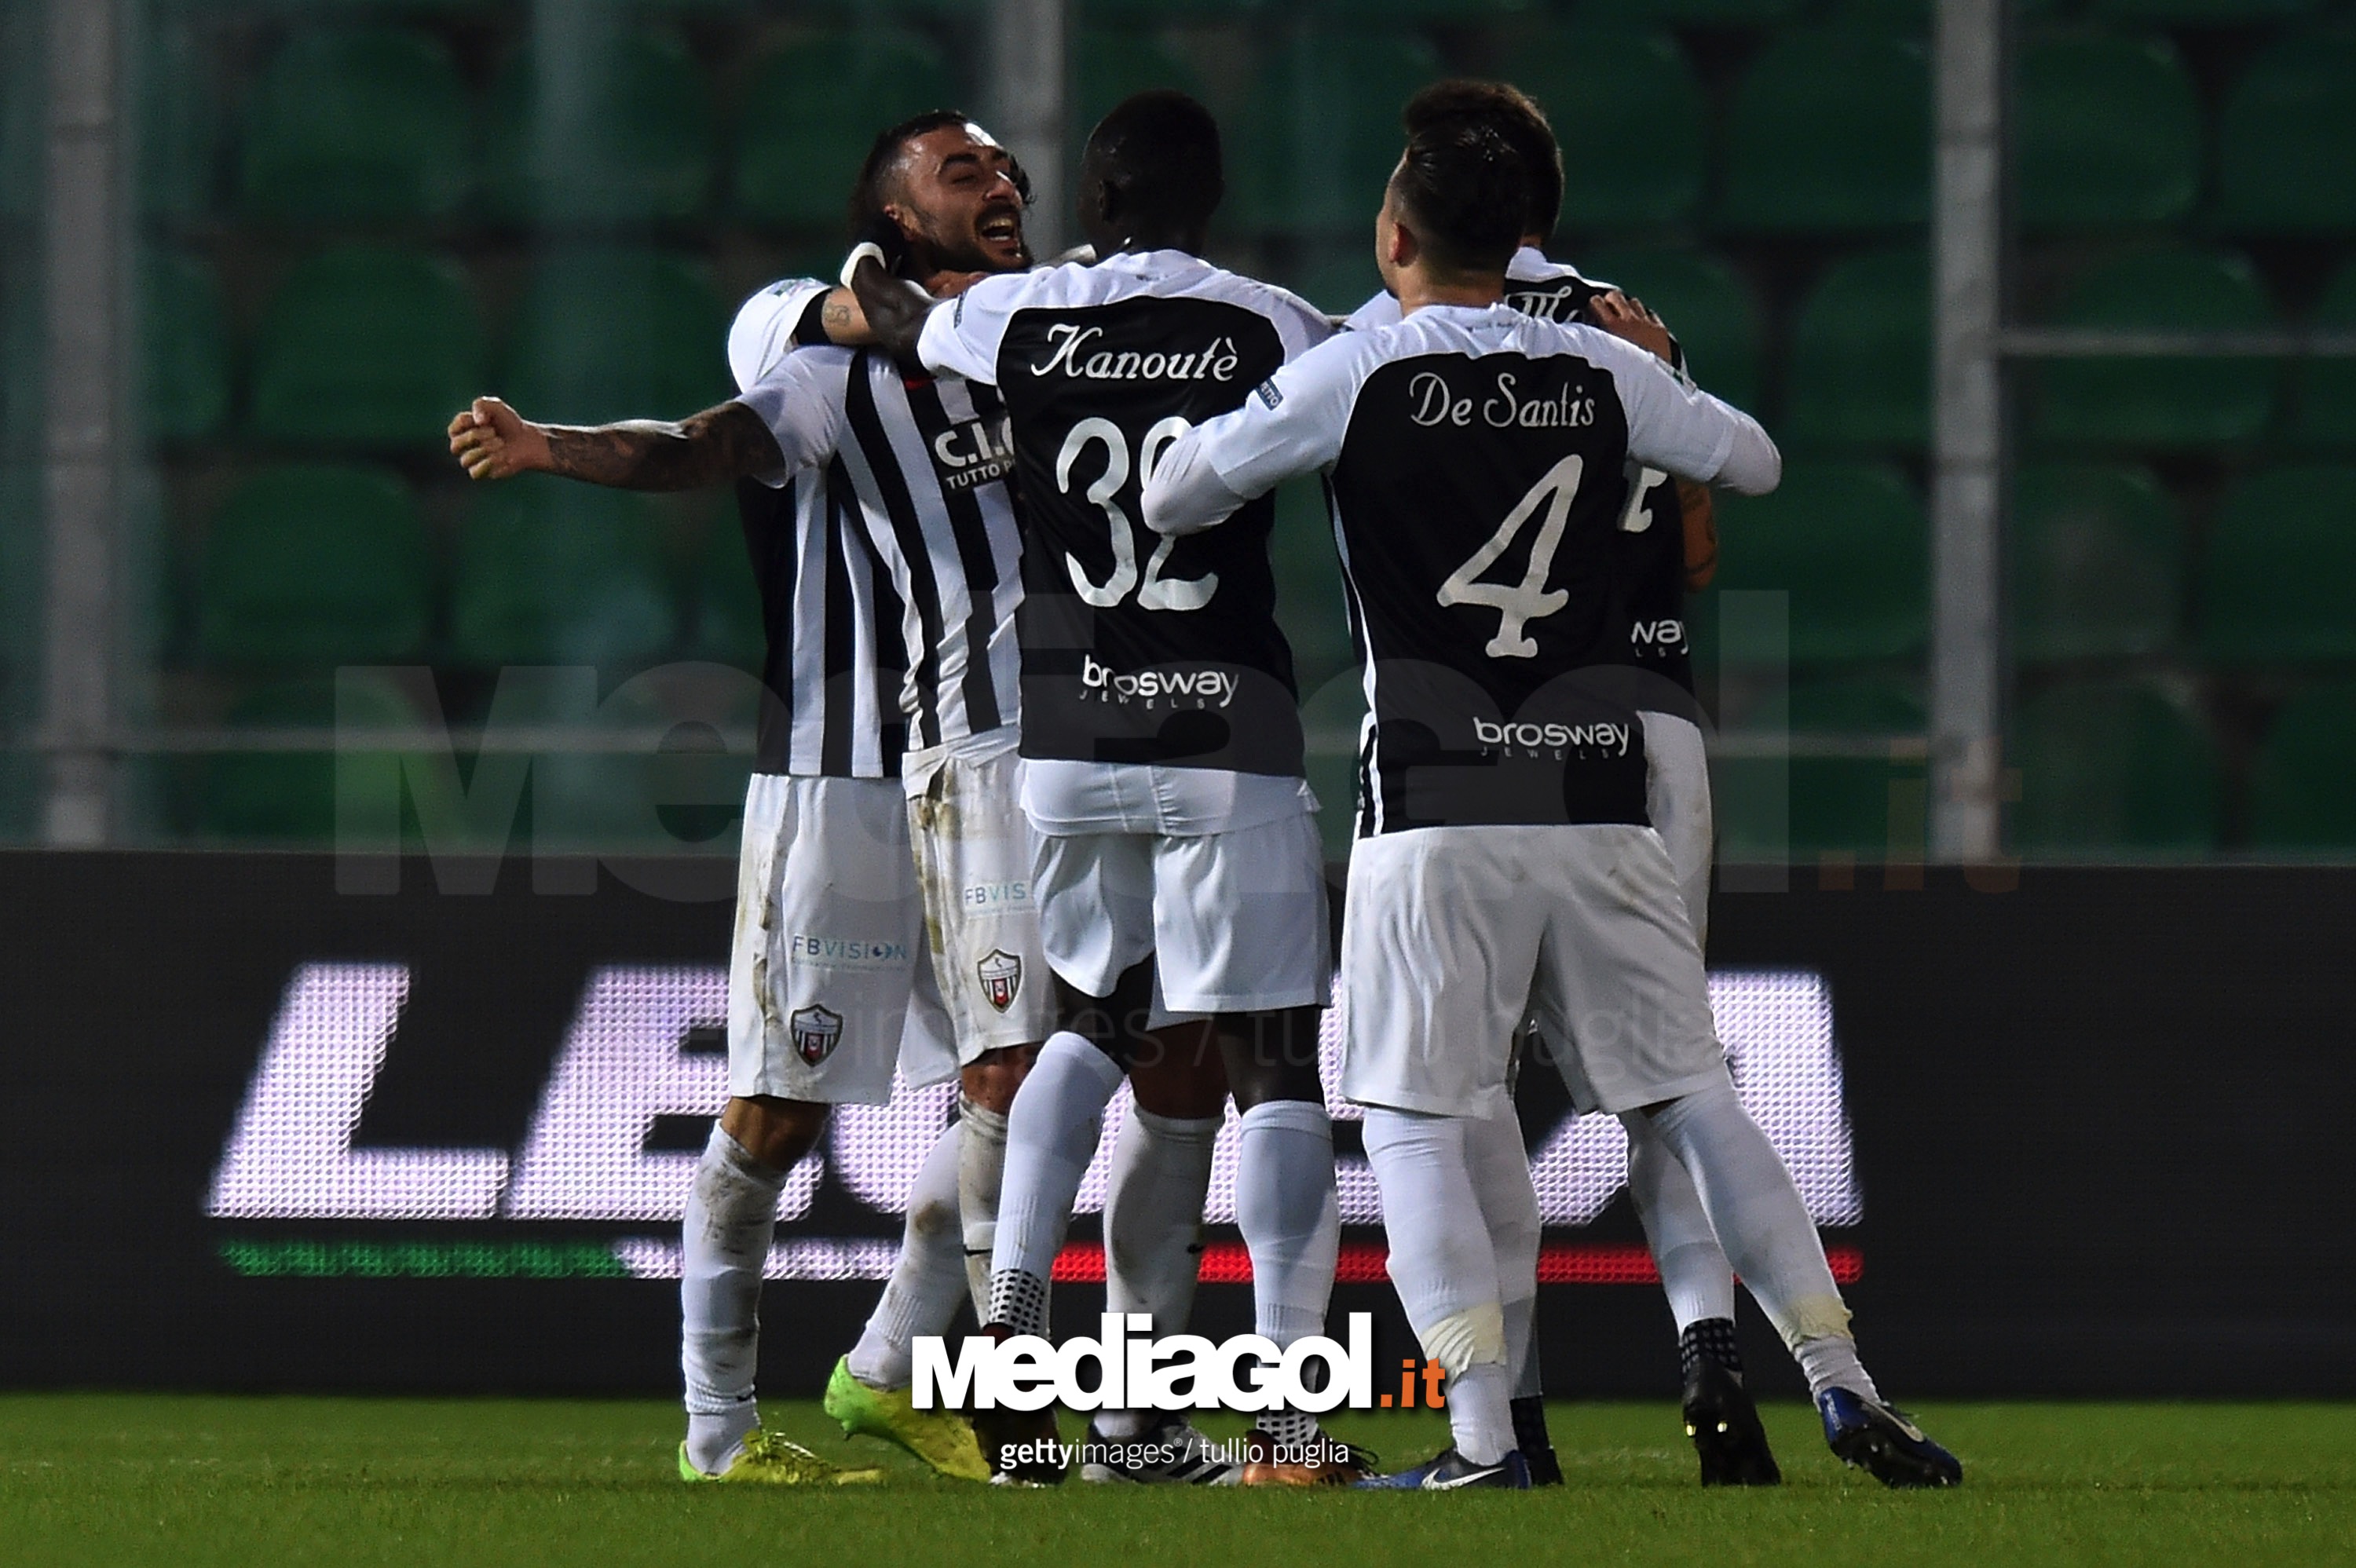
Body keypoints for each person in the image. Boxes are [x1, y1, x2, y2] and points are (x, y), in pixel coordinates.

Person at [1142, 97, 1962, 1492]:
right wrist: (1652, 372)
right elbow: (1751, 460)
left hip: (1437, 802)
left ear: (1395, 237)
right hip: (1600, 793)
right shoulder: (1602, 365)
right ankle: (1841, 1378)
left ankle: (1482, 1443)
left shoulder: (1359, 367)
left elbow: (1175, 495)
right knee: (1694, 1094)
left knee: (1411, 1116)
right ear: (1524, 237)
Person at [448, 111, 1054, 1486]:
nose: (1002, 184)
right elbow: (698, 436)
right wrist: (549, 445)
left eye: (1008, 167)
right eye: (965, 172)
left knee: (1018, 1081)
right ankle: (716, 1436)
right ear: (894, 218)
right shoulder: (819, 353)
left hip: (977, 763)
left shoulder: (1040, 337)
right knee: (781, 1108)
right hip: (832, 774)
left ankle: (892, 1370)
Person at [848, 91, 1361, 1486]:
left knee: (1087, 1020)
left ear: (1094, 195)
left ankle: (1014, 1338)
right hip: (1225, 729)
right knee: (1270, 1062)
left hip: (1068, 737)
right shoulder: (1273, 322)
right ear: (1211, 198)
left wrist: (867, 282)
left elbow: (897, 321)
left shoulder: (1020, 320)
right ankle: (1287, 1413)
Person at [1347, 79, 1772, 1488]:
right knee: (1666, 1070)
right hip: (1646, 727)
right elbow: (1701, 548)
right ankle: (1711, 1345)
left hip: (1464, 752)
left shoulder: (1395, 332)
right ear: (1547, 195)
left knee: (1452, 1095)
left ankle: (1504, 1422)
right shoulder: (1626, 330)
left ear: (1417, 206)